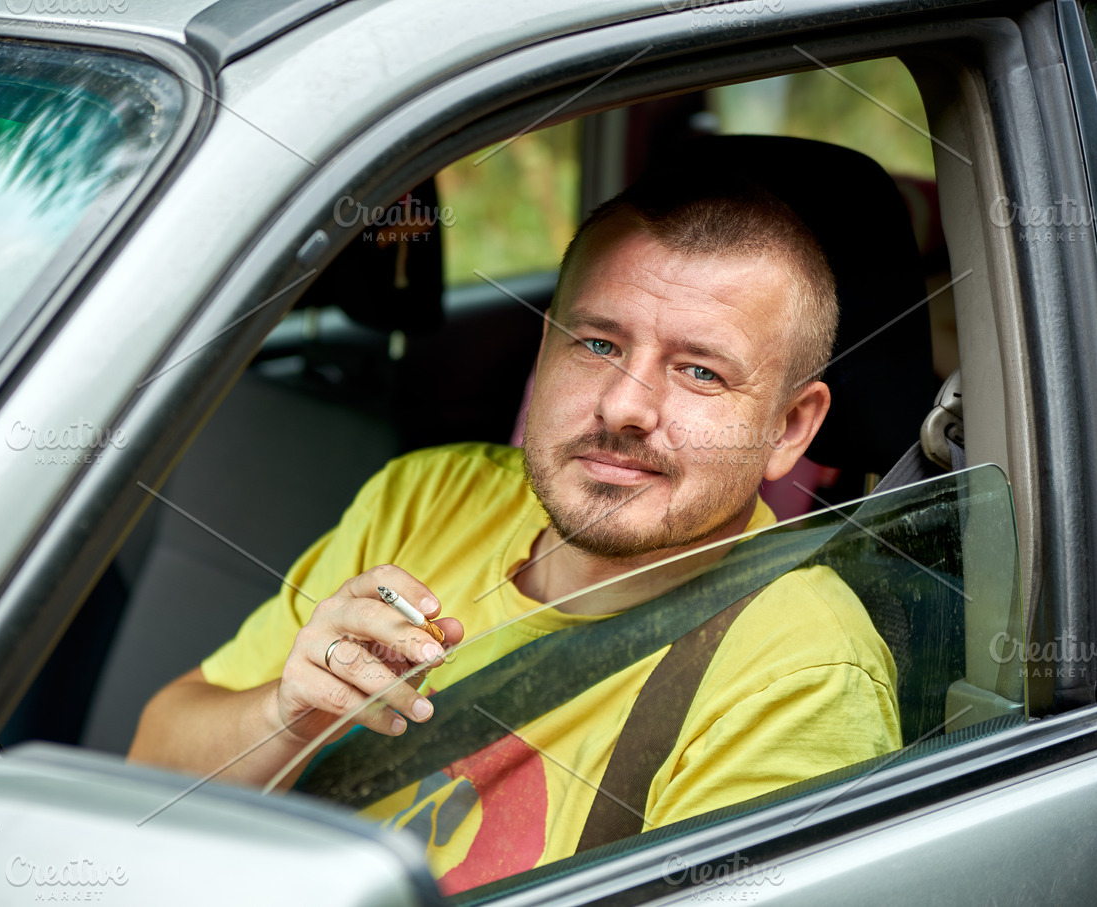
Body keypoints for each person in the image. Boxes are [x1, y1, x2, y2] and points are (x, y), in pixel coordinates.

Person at [129, 177, 901, 893]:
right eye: (597, 343)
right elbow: (150, 775)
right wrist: (289, 713)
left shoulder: (802, 673)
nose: (625, 407)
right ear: (544, 353)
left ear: (790, 428)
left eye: (700, 371)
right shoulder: (429, 495)